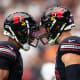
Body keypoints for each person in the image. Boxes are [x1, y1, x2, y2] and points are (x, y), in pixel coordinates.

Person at [39, 6, 80, 80]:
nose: (46, 32)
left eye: (47, 27)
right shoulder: (69, 43)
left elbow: (74, 76)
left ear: (57, 26)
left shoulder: (68, 44)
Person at [0, 12, 39, 80]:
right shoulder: (8, 48)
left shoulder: (14, 51)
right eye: (30, 32)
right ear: (19, 32)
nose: (33, 37)